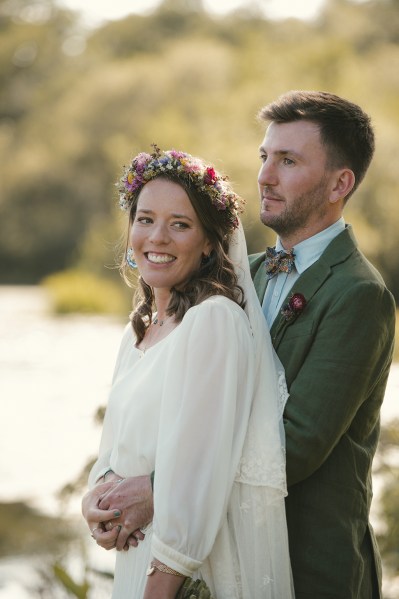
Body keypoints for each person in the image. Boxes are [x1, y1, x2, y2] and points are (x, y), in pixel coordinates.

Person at [82, 146, 295, 598]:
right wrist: (94, 499)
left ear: (208, 244)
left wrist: (158, 590)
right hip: (134, 562)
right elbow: (113, 449)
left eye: (180, 224)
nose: (157, 237)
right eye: (145, 219)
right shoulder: (139, 329)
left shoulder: (213, 321)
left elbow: (199, 479)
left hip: (180, 576)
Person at [249, 90, 396, 598]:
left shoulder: (360, 295)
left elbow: (296, 447)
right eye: (265, 157)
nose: (265, 176)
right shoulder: (242, 275)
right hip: (233, 559)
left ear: (340, 183)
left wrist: (165, 492)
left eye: (287, 161)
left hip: (312, 570)